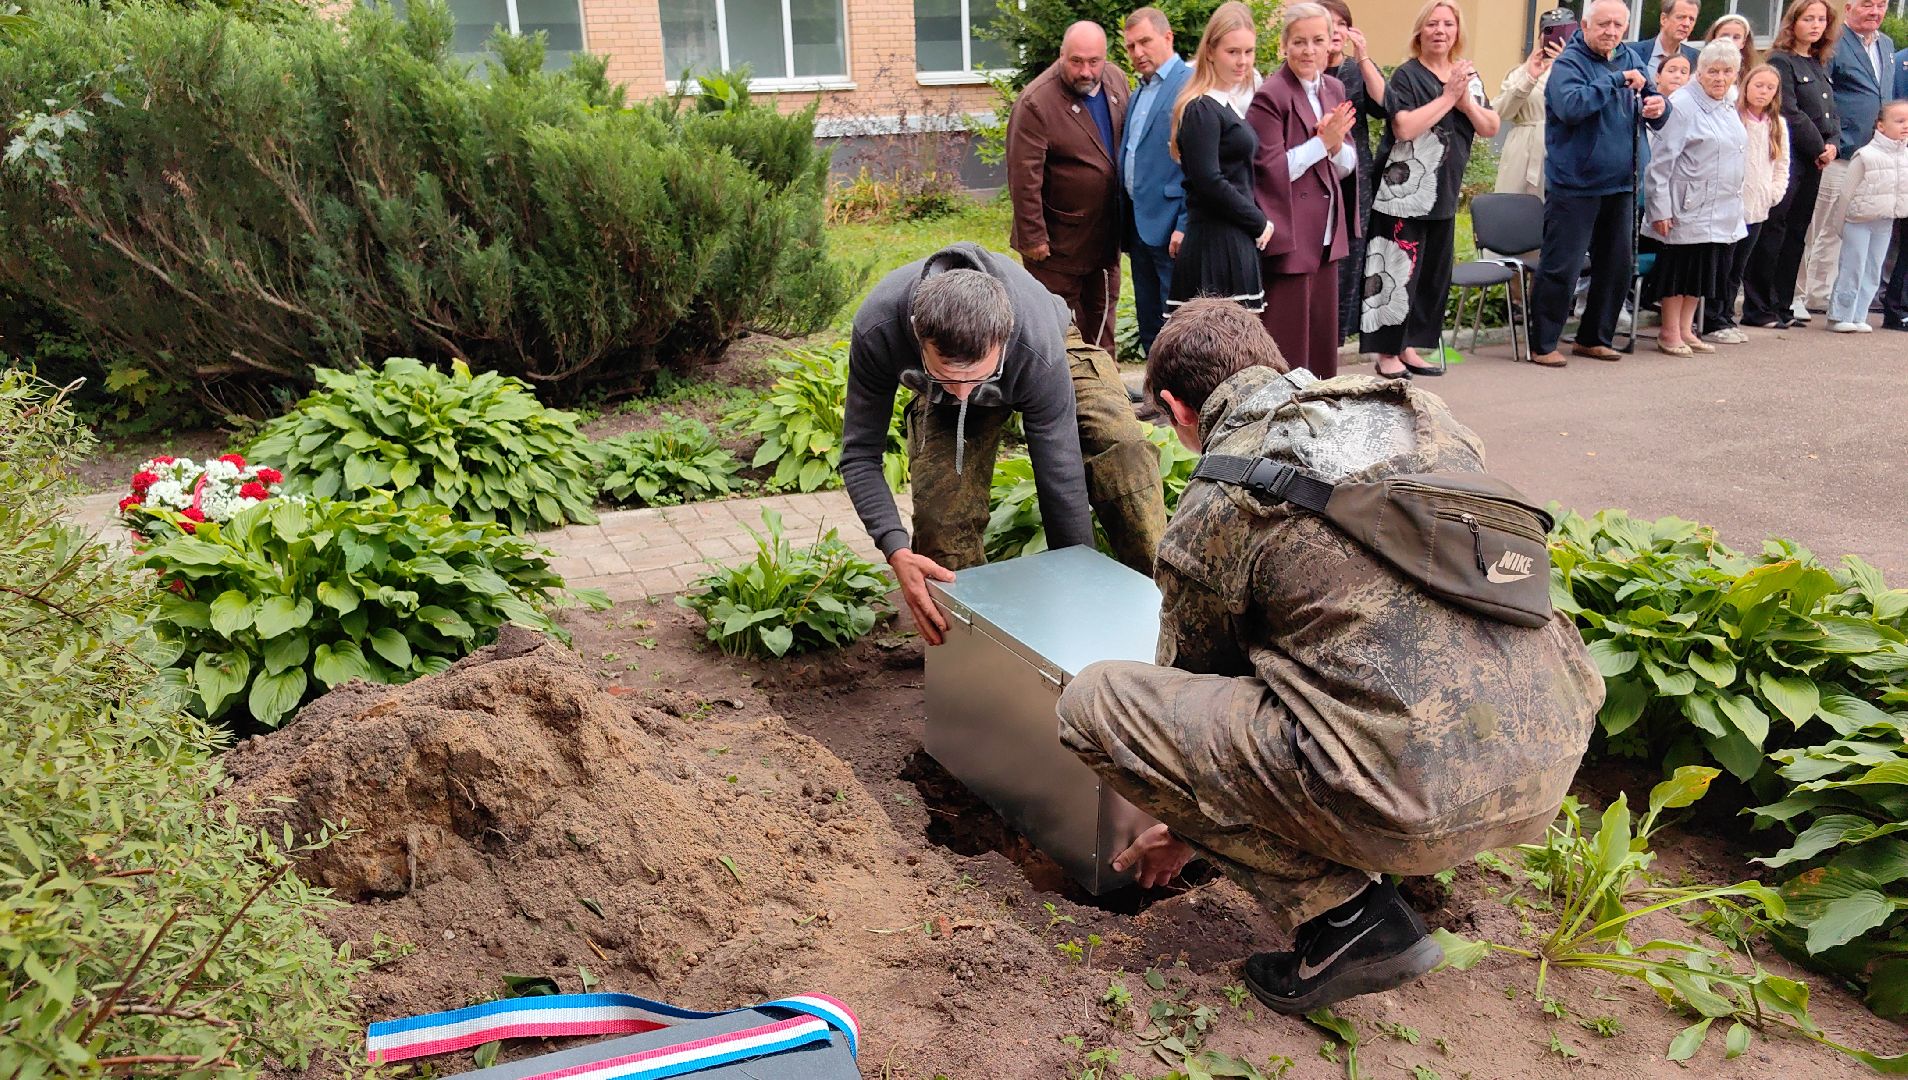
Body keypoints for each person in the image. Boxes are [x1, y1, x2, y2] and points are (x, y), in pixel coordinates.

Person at [1055, 297, 1602, 1014]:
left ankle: (1347, 921)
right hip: (1550, 753)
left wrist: (1186, 832)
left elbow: (1190, 695)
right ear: (1274, 364)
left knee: (1097, 704)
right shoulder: (1424, 417)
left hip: (1412, 802)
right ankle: (1379, 831)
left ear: (1175, 409)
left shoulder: (1225, 491)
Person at [841, 245, 1167, 642]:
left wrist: (1078, 596)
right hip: (963, 370)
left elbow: (1060, 478)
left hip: (1050, 348)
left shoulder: (1034, 343)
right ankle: (976, 660)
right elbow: (859, 454)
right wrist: (896, 550)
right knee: (941, 524)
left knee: (1120, 450)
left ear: (1004, 338)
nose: (964, 395)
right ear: (917, 333)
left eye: (977, 378)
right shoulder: (879, 327)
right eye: (946, 377)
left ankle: (1167, 611)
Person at [1359, 0, 1500, 378]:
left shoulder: (1466, 74)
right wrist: (1447, 98)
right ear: (1420, 31)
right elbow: (1404, 127)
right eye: (1433, 24)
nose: (1440, 30)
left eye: (1448, 24)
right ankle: (1385, 353)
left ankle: (1408, 347)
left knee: (1429, 277)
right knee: (1394, 271)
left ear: (1458, 31)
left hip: (1444, 192)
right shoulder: (1407, 75)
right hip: (1401, 196)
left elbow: (1490, 126)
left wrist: (1465, 100)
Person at [1527, 0, 1669, 369]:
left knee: (1617, 266)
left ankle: (1594, 338)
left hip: (1622, 182)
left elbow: (1654, 100)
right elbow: (1572, 107)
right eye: (1604, 24)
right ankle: (1542, 343)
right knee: (1563, 267)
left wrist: (1657, 106)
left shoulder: (1629, 58)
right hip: (1575, 183)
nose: (1611, 31)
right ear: (1585, 26)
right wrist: (1615, 80)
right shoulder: (1568, 64)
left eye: (1618, 25)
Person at [1248, 3, 1357, 377]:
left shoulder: (1335, 87)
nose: (1308, 50)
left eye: (1317, 40)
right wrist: (1321, 144)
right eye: (1299, 41)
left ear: (1331, 45)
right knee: (1287, 343)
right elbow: (1268, 169)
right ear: (1283, 46)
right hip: (1291, 234)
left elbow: (1346, 166)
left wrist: (1337, 145)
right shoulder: (1271, 95)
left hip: (1325, 233)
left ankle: (1322, 415)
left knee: (1323, 344)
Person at [1006, 21, 1128, 353]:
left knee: (1103, 317)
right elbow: (1023, 176)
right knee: (1059, 328)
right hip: (1057, 245)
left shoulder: (1116, 80)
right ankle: (1063, 397)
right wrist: (1033, 238)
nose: (1086, 71)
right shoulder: (1037, 102)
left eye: (1094, 61)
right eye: (1076, 61)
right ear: (1062, 55)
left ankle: (1106, 391)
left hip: (1104, 237)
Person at [1167, 2, 1275, 318]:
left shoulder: (1224, 104)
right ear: (1211, 51)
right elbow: (1208, 180)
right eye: (1233, 52)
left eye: (1248, 52)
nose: (1243, 61)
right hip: (1215, 243)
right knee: (1218, 351)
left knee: (1236, 350)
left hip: (1232, 237)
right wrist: (1258, 220)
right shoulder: (1201, 108)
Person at [1742, 0, 1842, 329]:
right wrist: (1818, 146)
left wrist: (1833, 145)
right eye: (1808, 19)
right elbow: (1790, 111)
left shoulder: (1817, 62)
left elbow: (1831, 112)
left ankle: (1782, 304)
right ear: (1793, 22)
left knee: (1797, 233)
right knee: (1775, 230)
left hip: (1816, 159)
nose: (1815, 25)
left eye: (1821, 20)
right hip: (1792, 155)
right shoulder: (1781, 61)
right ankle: (1759, 307)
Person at [1645, 41, 1748, 356]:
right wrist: (1659, 209)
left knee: (1702, 271)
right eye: (1712, 71)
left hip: (1719, 204)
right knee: (1680, 271)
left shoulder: (1728, 103)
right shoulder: (1683, 104)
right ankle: (1668, 331)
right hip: (1684, 204)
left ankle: (1687, 329)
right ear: (1700, 72)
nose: (1719, 78)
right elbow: (1660, 162)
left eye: (1727, 71)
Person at [1800, 0, 1895, 316]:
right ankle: (1795, 294)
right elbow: (1821, 94)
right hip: (1838, 150)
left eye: (1881, 5)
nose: (1875, 11)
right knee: (1816, 223)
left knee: (1840, 228)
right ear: (1849, 6)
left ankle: (1819, 293)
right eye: (1867, 4)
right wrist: (1829, 139)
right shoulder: (1834, 41)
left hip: (1873, 155)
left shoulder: (1886, 45)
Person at [1120, 8, 1194, 358]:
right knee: (1148, 315)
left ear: (1168, 38)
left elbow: (1196, 163)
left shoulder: (1188, 84)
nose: (1137, 53)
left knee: (1177, 318)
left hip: (1171, 226)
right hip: (1138, 221)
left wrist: (1184, 222)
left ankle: (1182, 395)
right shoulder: (1139, 91)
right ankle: (1156, 392)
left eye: (1145, 42)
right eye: (1131, 46)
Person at [1318, 0, 1386, 345]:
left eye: (1340, 24)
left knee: (1350, 250)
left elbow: (1386, 105)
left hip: (1354, 176)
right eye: (1326, 24)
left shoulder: (1357, 70)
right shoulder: (1304, 70)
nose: (1333, 31)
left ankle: (1339, 336)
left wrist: (1363, 56)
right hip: (1313, 174)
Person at [1714, 63, 1792, 342]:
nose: (1763, 92)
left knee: (1739, 266)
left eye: (1770, 88)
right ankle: (1714, 315)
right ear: (1746, 86)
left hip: (1758, 206)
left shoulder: (1777, 125)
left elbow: (1782, 164)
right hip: (1729, 203)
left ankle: (1726, 315)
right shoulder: (1734, 118)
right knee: (1724, 261)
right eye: (1758, 85)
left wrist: (1773, 193)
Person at [1825, 100, 1908, 331]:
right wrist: (1840, 224)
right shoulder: (1866, 155)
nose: (1905, 126)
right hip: (1858, 220)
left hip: (1885, 220)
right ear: (1880, 126)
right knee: (1853, 265)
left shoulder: (1905, 155)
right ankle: (1839, 314)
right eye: (1899, 121)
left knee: (1873, 267)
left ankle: (1858, 315)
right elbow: (1846, 193)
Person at [1494, 34, 1566, 198]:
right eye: (1549, 32)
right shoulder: (1519, 72)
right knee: (1512, 204)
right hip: (1523, 146)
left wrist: (1566, 65)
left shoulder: (1577, 71)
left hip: (1560, 143)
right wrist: (1529, 78)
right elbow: (1502, 111)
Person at [1623, 0, 1702, 73]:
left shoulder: (1696, 58)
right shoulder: (1631, 52)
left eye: (1691, 19)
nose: (1686, 24)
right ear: (1663, 19)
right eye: (1681, 17)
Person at [1706, 14, 1761, 85]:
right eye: (1724, 36)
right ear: (1714, 38)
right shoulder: (1702, 68)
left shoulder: (1753, 73)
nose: (1730, 41)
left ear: (1743, 43)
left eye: (1736, 37)